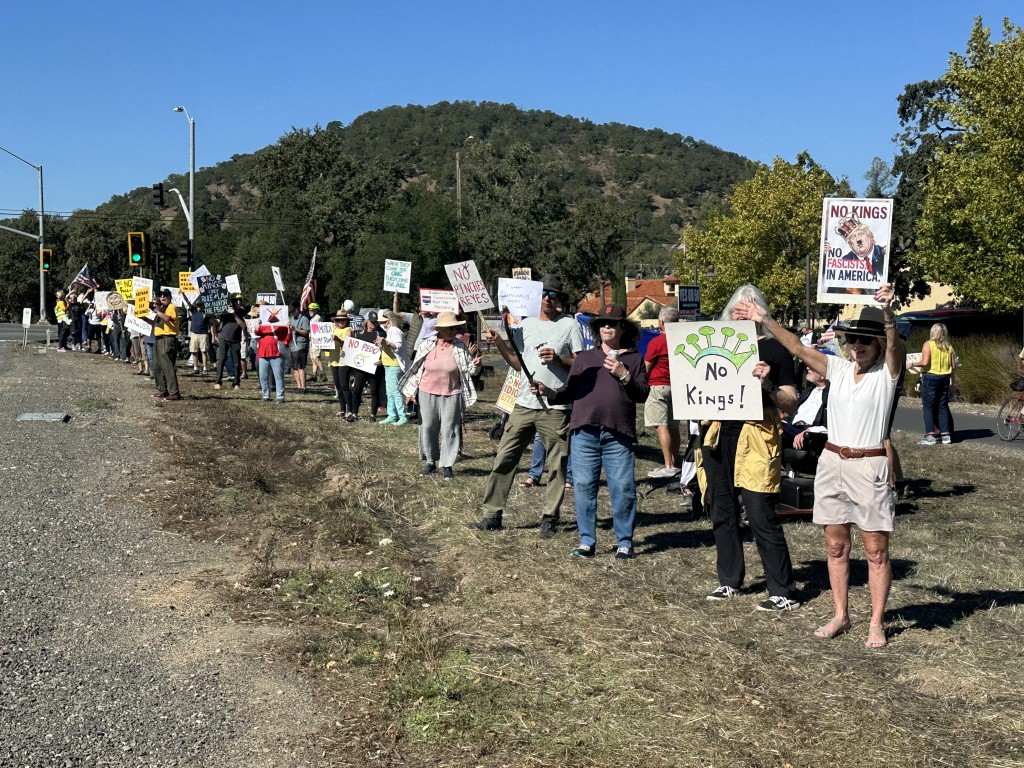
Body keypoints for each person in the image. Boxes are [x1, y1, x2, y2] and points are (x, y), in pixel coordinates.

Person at [733, 283, 903, 648]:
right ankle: (841, 614)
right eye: (853, 340)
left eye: (865, 341)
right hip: (831, 462)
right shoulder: (839, 368)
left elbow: (896, 351)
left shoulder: (887, 376)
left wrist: (888, 316)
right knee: (836, 547)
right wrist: (764, 319)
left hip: (869, 464)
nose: (857, 346)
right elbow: (796, 347)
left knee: (875, 551)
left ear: (879, 346)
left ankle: (876, 622)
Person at [698, 284, 801, 611]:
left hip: (756, 436)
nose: (742, 313)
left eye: (750, 308)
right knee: (722, 511)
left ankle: (782, 591)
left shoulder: (775, 350)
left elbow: (792, 404)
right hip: (718, 435)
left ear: (761, 313)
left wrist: (768, 385)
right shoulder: (716, 348)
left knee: (760, 513)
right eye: (737, 309)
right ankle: (729, 581)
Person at [469, 274, 584, 538]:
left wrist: (559, 359)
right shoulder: (526, 325)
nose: (547, 299)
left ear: (560, 299)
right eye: (543, 294)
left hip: (554, 408)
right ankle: (491, 515)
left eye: (553, 295)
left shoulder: (570, 326)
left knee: (556, 464)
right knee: (504, 458)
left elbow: (580, 364)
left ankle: (549, 518)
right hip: (523, 404)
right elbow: (518, 363)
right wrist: (499, 342)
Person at [532, 304, 650, 559]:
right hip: (584, 432)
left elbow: (642, 394)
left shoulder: (633, 359)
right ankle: (587, 541)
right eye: (602, 324)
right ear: (597, 329)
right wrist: (547, 391)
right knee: (584, 487)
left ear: (622, 328)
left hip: (618, 433)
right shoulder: (584, 359)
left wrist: (624, 375)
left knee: (623, 488)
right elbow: (569, 391)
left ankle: (624, 543)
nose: (607, 327)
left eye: (613, 323)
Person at [399, 312, 479, 479]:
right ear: (440, 329)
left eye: (455, 327)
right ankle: (430, 462)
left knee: (449, 429)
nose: (454, 330)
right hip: (426, 392)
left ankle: (447, 464)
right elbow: (416, 369)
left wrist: (476, 365)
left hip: (452, 393)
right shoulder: (427, 345)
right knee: (427, 427)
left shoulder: (459, 346)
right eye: (450, 328)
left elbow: (469, 370)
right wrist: (410, 393)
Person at [644, 307, 683, 478]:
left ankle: (668, 465)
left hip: (659, 385)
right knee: (674, 427)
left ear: (661, 322)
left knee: (661, 426)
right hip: (677, 386)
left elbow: (647, 365)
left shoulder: (657, 342)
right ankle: (674, 462)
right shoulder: (682, 340)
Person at [917, 323, 956, 445]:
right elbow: (953, 365)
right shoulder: (948, 346)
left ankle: (930, 435)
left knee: (928, 406)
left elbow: (924, 362)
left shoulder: (928, 344)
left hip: (930, 376)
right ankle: (945, 435)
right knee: (942, 405)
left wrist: (911, 364)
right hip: (945, 377)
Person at [145, 288, 181, 401]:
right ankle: (162, 390)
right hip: (158, 339)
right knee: (157, 366)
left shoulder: (171, 307)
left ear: (170, 297)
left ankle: (174, 392)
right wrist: (142, 316)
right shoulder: (161, 309)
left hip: (168, 338)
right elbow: (153, 322)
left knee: (168, 366)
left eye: (165, 295)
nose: (162, 297)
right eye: (160, 295)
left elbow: (167, 318)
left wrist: (157, 311)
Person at [350, 311, 385, 421]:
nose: (372, 325)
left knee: (374, 391)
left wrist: (381, 359)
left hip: (375, 367)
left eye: (375, 323)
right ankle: (354, 413)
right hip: (362, 367)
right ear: (367, 322)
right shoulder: (359, 334)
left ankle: (373, 415)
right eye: (371, 322)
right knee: (357, 390)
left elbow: (385, 348)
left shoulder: (381, 334)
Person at [378, 311, 409, 425]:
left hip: (394, 365)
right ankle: (392, 415)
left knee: (395, 391)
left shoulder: (394, 330)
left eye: (383, 322)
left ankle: (402, 416)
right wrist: (381, 344)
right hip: (389, 364)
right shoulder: (390, 330)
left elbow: (397, 345)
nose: (382, 324)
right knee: (390, 392)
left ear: (388, 321)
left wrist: (385, 342)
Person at [327, 310, 356, 418]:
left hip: (343, 360)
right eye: (338, 320)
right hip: (333, 359)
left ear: (346, 321)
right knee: (338, 386)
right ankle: (342, 409)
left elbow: (348, 343)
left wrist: (338, 339)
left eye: (342, 320)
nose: (340, 322)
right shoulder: (333, 329)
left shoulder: (348, 330)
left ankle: (350, 409)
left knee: (345, 386)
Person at [213, 300, 247, 391]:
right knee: (221, 360)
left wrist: (234, 314)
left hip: (235, 340)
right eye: (236, 301)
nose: (239, 302)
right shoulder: (224, 311)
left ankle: (236, 383)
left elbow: (243, 325)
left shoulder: (241, 312)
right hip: (224, 338)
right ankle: (218, 382)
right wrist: (209, 318)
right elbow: (217, 322)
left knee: (236, 362)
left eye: (240, 301)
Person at [255, 316, 289, 404]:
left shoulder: (281, 324)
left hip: (276, 353)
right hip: (263, 352)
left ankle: (280, 396)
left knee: (278, 376)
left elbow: (287, 337)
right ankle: (266, 395)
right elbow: (256, 332)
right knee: (262, 376)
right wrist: (258, 325)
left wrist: (288, 327)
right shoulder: (262, 323)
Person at [288, 302, 311, 394]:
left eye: (293, 311)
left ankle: (303, 387)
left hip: (301, 345)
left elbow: (306, 332)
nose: (292, 313)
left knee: (300, 367)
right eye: (291, 312)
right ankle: (298, 386)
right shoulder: (291, 319)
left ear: (298, 309)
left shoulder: (304, 319)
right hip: (292, 345)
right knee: (295, 367)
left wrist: (296, 329)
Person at [187, 300, 210, 373]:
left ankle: (205, 368)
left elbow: (212, 323)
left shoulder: (206, 313)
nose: (199, 306)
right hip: (194, 334)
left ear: (203, 306)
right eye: (198, 305)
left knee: (203, 351)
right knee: (194, 351)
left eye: (201, 305)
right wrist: (183, 294)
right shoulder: (194, 311)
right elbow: (188, 302)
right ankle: (195, 368)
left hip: (203, 334)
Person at [307, 303, 326, 383]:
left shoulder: (317, 318)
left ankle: (323, 374)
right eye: (309, 310)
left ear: (315, 310)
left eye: (311, 310)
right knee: (313, 358)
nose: (309, 311)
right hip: (311, 339)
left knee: (316, 358)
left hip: (316, 340)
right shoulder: (312, 318)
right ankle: (314, 375)